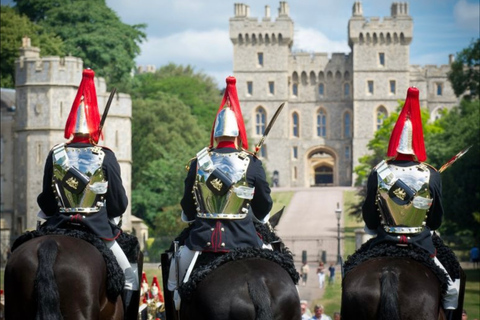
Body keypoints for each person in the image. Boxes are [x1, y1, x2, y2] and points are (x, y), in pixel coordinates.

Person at [36, 69, 139, 317]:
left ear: (72, 124)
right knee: (130, 278)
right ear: (95, 126)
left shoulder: (56, 154)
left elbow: (47, 201)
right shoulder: (105, 155)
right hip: (98, 230)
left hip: (57, 226)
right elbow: (118, 204)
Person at [167, 76, 273, 309]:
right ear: (237, 134)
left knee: (174, 284)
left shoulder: (198, 162)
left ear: (215, 133)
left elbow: (188, 204)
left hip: (201, 241)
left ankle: (174, 309)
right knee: (281, 267)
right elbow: (264, 204)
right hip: (246, 238)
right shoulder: (251, 162)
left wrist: (191, 216)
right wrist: (259, 216)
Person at [362, 87, 461, 313]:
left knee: (350, 271)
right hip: (422, 243)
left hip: (384, 240)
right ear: (417, 143)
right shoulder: (431, 174)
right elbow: (435, 221)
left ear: (394, 142)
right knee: (453, 283)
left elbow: (369, 215)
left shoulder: (378, 172)